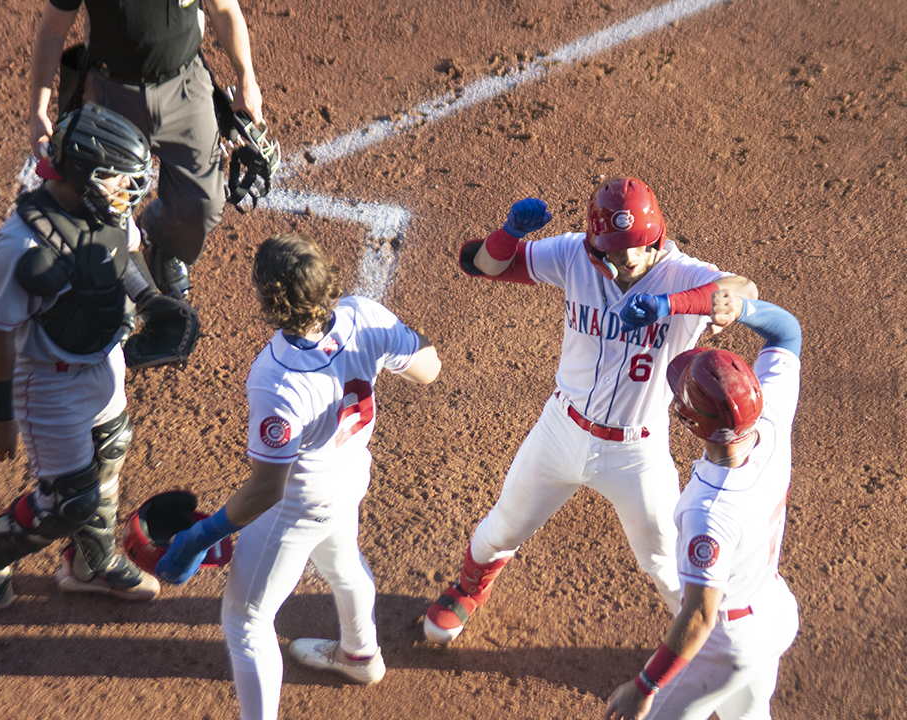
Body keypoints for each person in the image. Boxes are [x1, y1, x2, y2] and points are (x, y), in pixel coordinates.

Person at [424, 177, 759, 644]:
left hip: (636, 452)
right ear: (595, 244)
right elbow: (483, 264)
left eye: (639, 245)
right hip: (560, 430)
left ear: (657, 236)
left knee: (664, 562)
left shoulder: (685, 274)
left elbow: (745, 289)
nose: (628, 257)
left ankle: (709, 653)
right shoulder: (573, 255)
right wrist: (510, 234)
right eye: (617, 249)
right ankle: (467, 589)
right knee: (502, 526)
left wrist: (671, 305)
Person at [152, 233, 442, 719]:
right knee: (342, 560)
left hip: (298, 503)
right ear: (325, 279)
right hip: (350, 476)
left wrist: (200, 535)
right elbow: (429, 369)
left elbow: (268, 487)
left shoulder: (276, 378)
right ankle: (359, 653)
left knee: (245, 623)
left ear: (271, 300)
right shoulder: (364, 316)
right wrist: (391, 340)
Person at [0, 104, 166, 609]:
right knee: (68, 502)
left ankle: (90, 565)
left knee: (111, 455)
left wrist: (152, 300)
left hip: (102, 361)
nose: (130, 190)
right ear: (84, 176)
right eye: (119, 178)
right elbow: (0, 334)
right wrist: (2, 416)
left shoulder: (106, 208)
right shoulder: (18, 245)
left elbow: (127, 253)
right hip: (46, 381)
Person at [604, 290, 802, 720]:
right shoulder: (771, 423)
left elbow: (698, 615)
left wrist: (644, 686)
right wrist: (743, 309)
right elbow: (787, 334)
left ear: (688, 422)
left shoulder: (707, 512)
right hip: (776, 609)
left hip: (728, 643)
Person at [28, 0, 266, 300]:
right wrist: (37, 110)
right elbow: (52, 30)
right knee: (95, 198)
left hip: (186, 87)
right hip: (111, 94)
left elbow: (225, 10)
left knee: (204, 204)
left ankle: (162, 241)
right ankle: (99, 275)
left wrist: (247, 79)